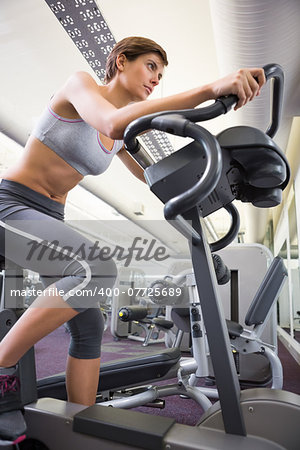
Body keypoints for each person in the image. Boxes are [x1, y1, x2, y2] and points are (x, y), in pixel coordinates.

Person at [0, 36, 266, 413]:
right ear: (121, 61)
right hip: (12, 205)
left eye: (162, 73)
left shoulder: (122, 137)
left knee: (89, 326)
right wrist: (209, 89)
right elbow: (111, 120)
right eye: (151, 66)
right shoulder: (82, 87)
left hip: (50, 218)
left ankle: (80, 423)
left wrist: (215, 190)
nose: (157, 78)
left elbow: (156, 180)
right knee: (98, 270)